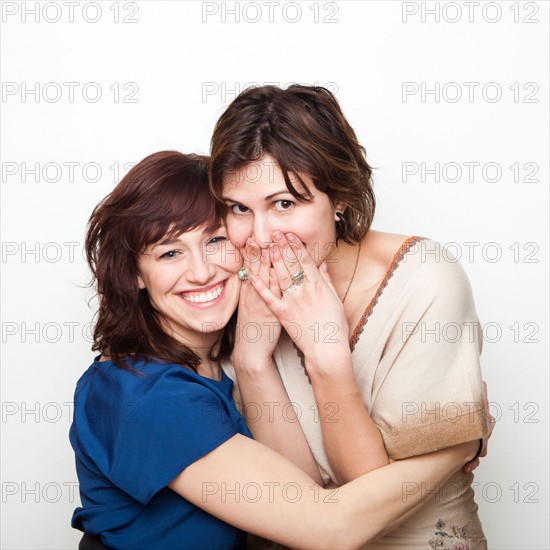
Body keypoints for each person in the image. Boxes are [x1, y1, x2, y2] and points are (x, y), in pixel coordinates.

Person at [70, 150, 481, 550]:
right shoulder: (143, 395)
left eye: (215, 241)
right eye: (170, 252)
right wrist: (456, 446)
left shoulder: (222, 360)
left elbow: (299, 492)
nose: (201, 271)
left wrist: (254, 359)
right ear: (135, 273)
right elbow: (331, 528)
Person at [209, 85, 492, 549]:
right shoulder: (229, 287)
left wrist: (326, 354)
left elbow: (371, 503)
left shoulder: (425, 280)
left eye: (285, 204)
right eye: (239, 208)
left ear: (338, 197)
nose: (259, 236)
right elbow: (302, 501)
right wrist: (251, 360)